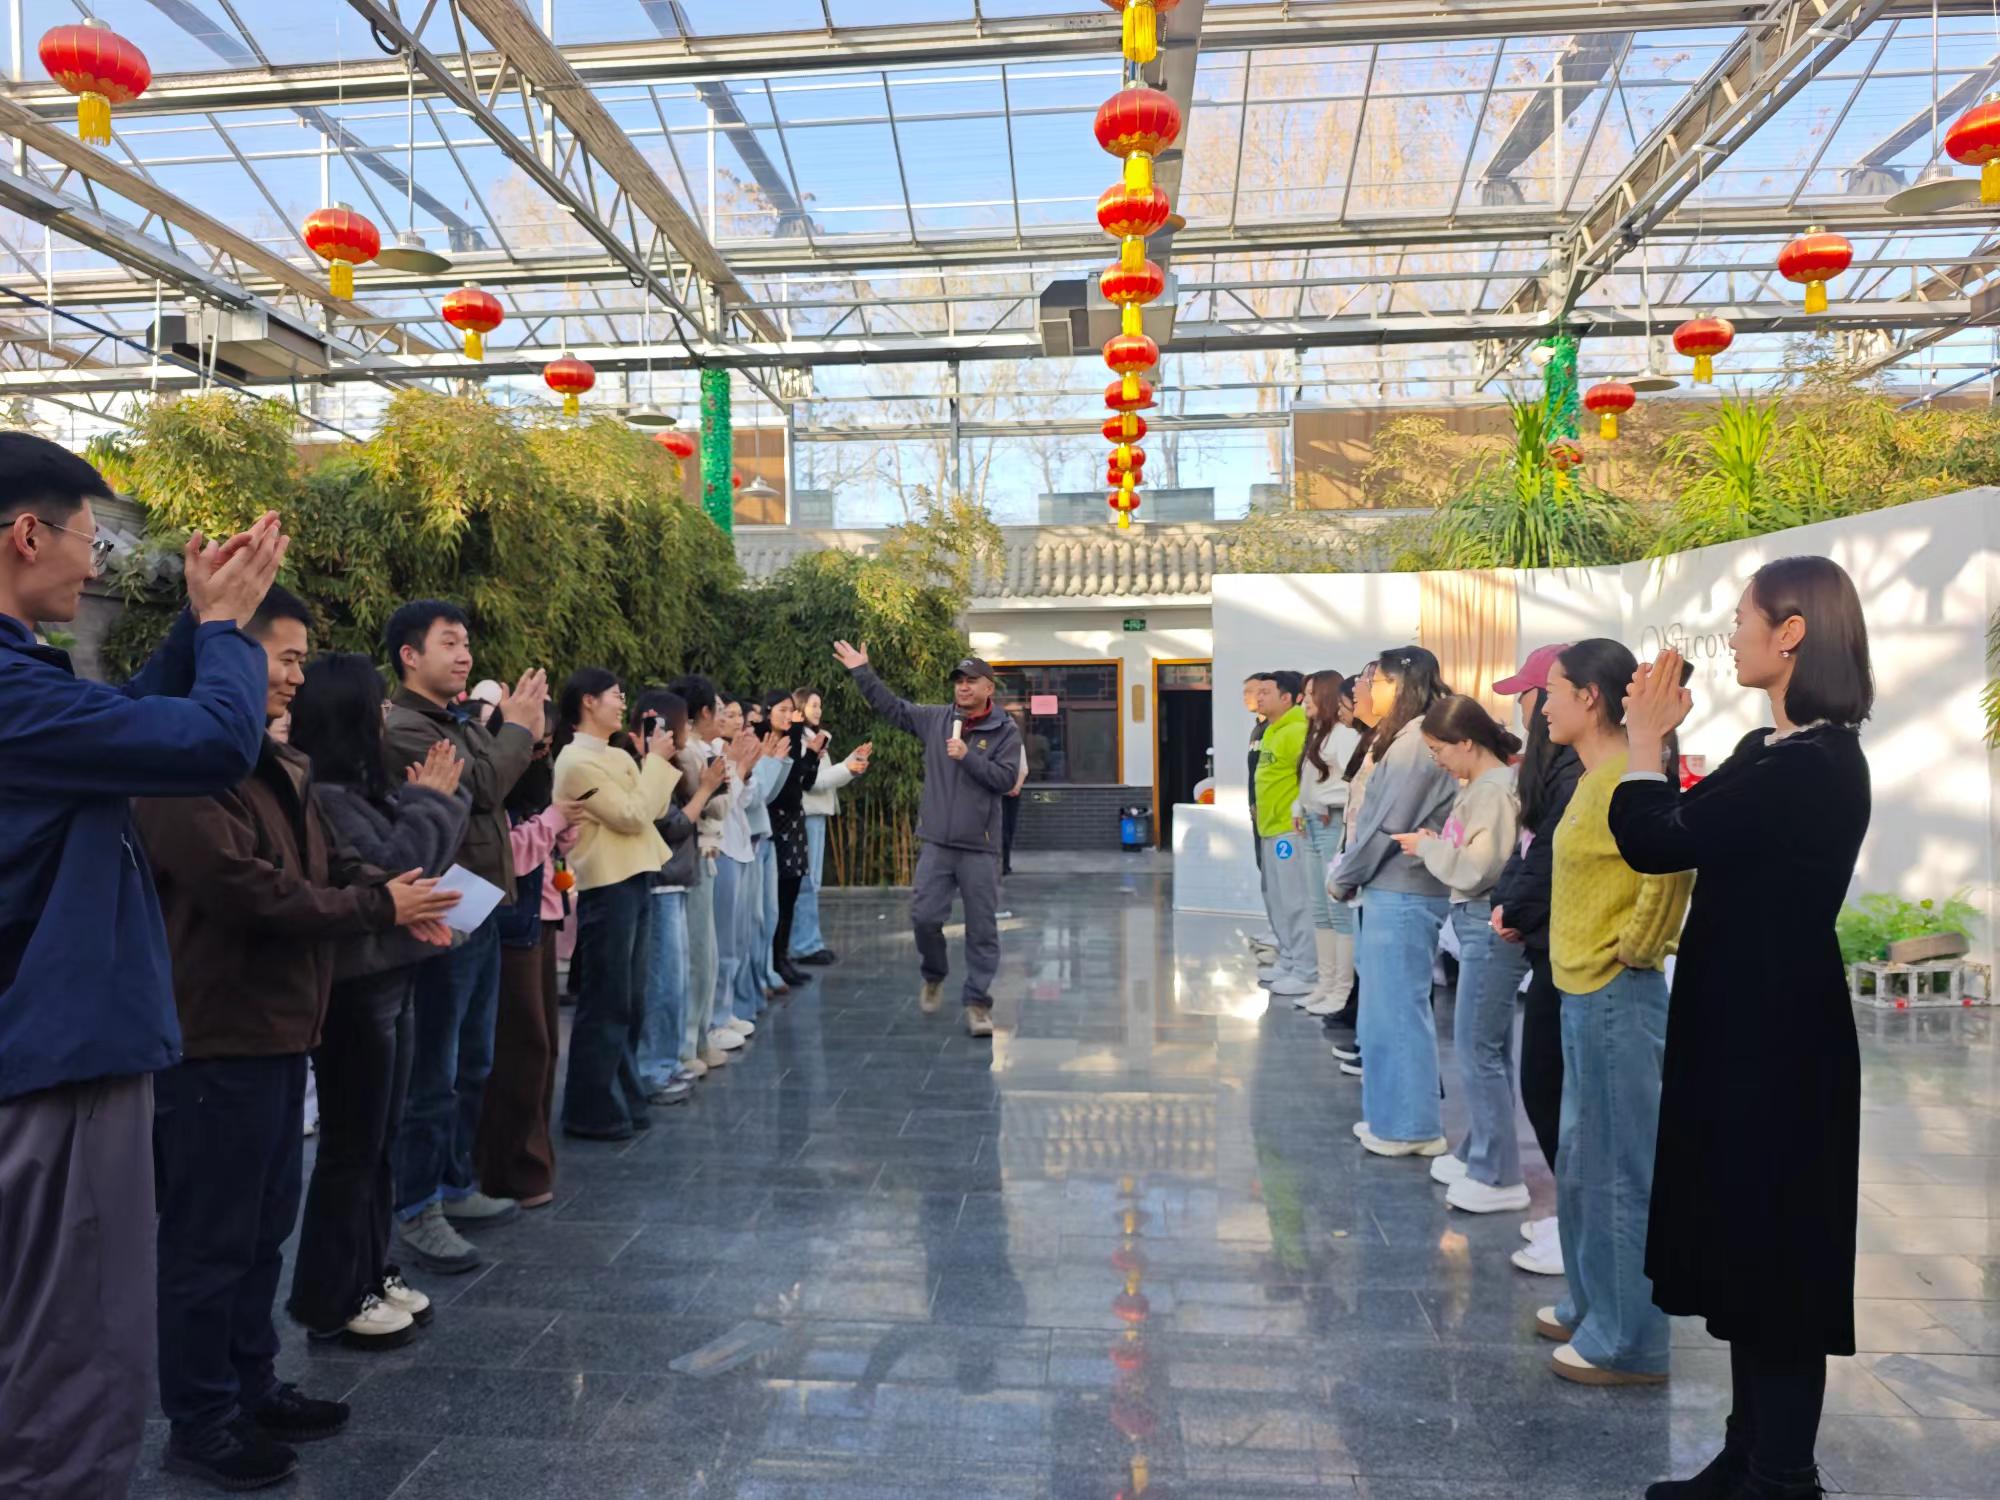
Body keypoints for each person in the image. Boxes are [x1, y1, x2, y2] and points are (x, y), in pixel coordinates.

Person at [0, 434, 284, 1499]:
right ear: (28, 535)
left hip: (45, 1043)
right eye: (93, 540)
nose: (97, 565)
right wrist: (223, 631)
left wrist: (197, 626)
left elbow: (124, 729)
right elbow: (210, 746)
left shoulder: (26, 688)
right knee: (72, 1345)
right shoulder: (10, 690)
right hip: (54, 1056)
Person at [135, 586, 460, 1489]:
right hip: (216, 1036)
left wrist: (399, 897)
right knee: (209, 1242)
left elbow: (332, 862)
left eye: (301, 661)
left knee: (262, 1229)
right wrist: (376, 907)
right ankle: (201, 1420)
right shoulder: (182, 769)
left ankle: (252, 1385)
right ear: (226, 658)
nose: (296, 678)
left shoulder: (273, 763)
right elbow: (252, 891)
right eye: (283, 658)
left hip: (280, 1028)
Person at [1615, 559, 1873, 1500]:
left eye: (1743, 618)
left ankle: (1783, 1474)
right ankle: (1745, 1456)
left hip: (1780, 1035)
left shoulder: (1815, 764)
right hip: (1736, 1019)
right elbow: (1682, 818)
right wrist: (1655, 753)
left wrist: (1644, 742)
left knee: (1778, 1249)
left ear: (1792, 632)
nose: (1732, 635)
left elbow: (1655, 838)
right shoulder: (1770, 751)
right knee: (1741, 1237)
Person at [285, 653, 471, 1351]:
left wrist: (432, 801)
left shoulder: (364, 788)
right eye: (378, 705)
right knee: (351, 1146)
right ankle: (331, 1296)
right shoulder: (325, 797)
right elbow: (399, 869)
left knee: (380, 1141)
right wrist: (432, 801)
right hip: (357, 989)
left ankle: (371, 1266)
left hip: (395, 977)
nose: (386, 715)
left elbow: (422, 865)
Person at [1538, 638, 1693, 1388]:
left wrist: (1638, 946)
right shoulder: (1593, 779)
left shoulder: (1627, 777)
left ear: (1588, 698)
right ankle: (1594, 1304)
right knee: (1582, 1166)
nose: (1542, 707)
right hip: (1584, 991)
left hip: (1613, 993)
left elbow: (1669, 869)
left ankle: (1630, 1339)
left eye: (1552, 691)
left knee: (1617, 1169)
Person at [382, 601, 547, 1273]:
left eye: (466, 642)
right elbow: (482, 787)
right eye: (449, 642)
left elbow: (500, 785)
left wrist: (519, 735)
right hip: (442, 910)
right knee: (434, 1068)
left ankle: (454, 1182)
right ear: (409, 656)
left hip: (479, 906)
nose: (465, 654)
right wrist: (518, 729)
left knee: (473, 1059)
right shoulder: (404, 728)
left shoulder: (457, 720)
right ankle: (416, 1206)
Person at [833, 642, 1024, 1038]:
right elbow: (893, 708)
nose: (963, 687)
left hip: (980, 846)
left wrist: (967, 756)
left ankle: (978, 1003)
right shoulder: (937, 719)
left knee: (982, 930)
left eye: (971, 681)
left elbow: (1006, 780)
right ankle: (934, 974)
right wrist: (862, 671)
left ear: (989, 688)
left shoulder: (1005, 730)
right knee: (924, 917)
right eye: (959, 681)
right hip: (937, 840)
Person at [1394, 694, 1527, 1214]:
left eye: (1439, 750)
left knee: (1478, 1050)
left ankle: (1499, 1174)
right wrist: (1438, 842)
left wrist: (1427, 848)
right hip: (1478, 923)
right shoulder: (1485, 787)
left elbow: (1477, 869)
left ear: (1466, 742)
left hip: (1485, 924)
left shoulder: (1492, 790)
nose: (1437, 761)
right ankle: (1481, 1151)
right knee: (1488, 1048)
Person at [1329, 646, 1455, 1156]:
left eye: (1374, 681)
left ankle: (1410, 1127)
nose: (1366, 690)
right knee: (1382, 1015)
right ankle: (1392, 1119)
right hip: (1389, 887)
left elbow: (1386, 823)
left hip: (1402, 888)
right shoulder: (1403, 737)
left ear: (1398, 685)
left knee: (1398, 1014)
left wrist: (1345, 875)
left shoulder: (1415, 742)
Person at [552, 668, 678, 1141]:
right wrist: (655, 765)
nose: (622, 703)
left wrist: (652, 766)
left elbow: (653, 809)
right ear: (588, 701)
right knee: (606, 999)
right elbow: (630, 815)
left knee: (630, 999)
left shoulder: (617, 756)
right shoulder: (574, 761)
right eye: (615, 695)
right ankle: (590, 1108)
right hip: (606, 884)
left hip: (636, 875)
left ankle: (623, 1095)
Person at [1489, 644, 1579, 1276]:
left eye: (1533, 693)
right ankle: (1573, 1221)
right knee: (1544, 1084)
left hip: (1573, 953)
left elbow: (1549, 853)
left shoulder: (1588, 772)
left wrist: (1514, 908)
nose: (1529, 708)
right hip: (1548, 942)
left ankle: (1581, 1230)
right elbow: (1529, 848)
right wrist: (1509, 902)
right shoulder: (1551, 768)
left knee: (1557, 1091)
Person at [476, 739, 580, 1206]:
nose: (542, 758)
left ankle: (532, 1159)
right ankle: (512, 1168)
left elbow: (548, 848)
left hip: (541, 921)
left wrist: (563, 824)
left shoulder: (530, 798)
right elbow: (507, 857)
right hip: (510, 927)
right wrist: (553, 819)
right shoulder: (490, 796)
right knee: (522, 1049)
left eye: (546, 747)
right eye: (534, 747)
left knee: (544, 1048)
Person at [634, 688, 730, 1103]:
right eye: (682, 725)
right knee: (664, 981)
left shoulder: (669, 763)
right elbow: (670, 822)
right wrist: (705, 787)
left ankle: (669, 1060)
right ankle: (657, 1065)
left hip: (678, 875)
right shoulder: (647, 764)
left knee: (678, 977)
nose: (684, 734)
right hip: (660, 880)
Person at [667, 675, 733, 1081]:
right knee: (697, 956)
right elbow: (716, 808)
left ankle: (699, 1037)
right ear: (703, 712)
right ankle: (688, 1042)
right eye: (719, 710)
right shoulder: (690, 751)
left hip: (705, 854)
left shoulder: (702, 750)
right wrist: (721, 781)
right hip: (695, 855)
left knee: (705, 954)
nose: (723, 718)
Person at [1293, 670, 1360, 1015]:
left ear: (1327, 696)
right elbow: (1310, 783)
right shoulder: (1318, 733)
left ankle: (1341, 990)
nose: (1304, 700)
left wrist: (1323, 803)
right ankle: (1325, 984)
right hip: (1313, 823)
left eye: (1310, 694)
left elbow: (1355, 785)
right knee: (1320, 910)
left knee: (1337, 912)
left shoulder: (1344, 735)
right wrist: (1300, 806)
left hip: (1332, 824)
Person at [791, 687, 871, 965]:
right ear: (800, 708)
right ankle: (804, 945)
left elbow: (825, 777)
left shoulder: (815, 737)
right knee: (806, 881)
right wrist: (848, 767)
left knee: (811, 881)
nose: (818, 710)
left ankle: (808, 941)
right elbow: (812, 782)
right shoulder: (800, 740)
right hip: (806, 814)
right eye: (813, 705)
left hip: (816, 815)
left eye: (819, 705)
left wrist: (851, 762)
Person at [1251, 670, 1317, 997]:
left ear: (1287, 698)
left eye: (1266, 692)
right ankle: (1289, 959)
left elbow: (1309, 780)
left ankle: (1307, 969)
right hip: (1269, 827)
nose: (1258, 697)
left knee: (1296, 902)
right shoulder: (1271, 730)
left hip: (1288, 832)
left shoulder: (1297, 730)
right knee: (1276, 900)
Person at [763, 689, 823, 989]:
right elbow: (781, 786)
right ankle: (773, 960)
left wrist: (812, 756)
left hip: (794, 820)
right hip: (774, 822)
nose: (789, 716)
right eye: (782, 710)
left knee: (791, 892)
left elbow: (803, 782)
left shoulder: (792, 738)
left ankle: (782, 957)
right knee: (775, 897)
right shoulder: (763, 740)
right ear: (767, 712)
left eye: (791, 711)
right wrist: (802, 745)